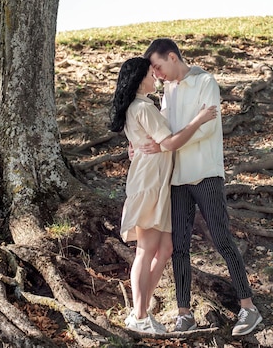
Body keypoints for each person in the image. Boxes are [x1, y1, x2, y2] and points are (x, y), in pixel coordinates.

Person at [141, 38, 263, 336]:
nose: (156, 74)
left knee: (222, 239)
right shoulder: (168, 90)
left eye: (158, 66)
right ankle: (184, 313)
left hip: (206, 174)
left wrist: (169, 141)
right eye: (153, 70)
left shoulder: (206, 81)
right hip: (176, 178)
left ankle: (248, 308)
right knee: (179, 247)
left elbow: (206, 127)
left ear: (172, 57)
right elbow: (164, 130)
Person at [109, 56, 217, 334]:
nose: (154, 77)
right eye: (149, 73)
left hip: (160, 183)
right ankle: (140, 316)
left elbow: (149, 142)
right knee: (145, 251)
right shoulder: (142, 107)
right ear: (139, 79)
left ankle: (141, 310)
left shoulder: (143, 106)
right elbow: (168, 142)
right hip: (149, 183)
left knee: (165, 249)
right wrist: (199, 120)